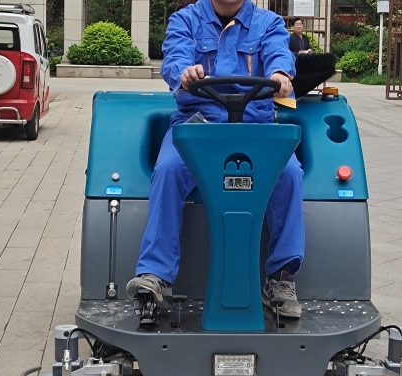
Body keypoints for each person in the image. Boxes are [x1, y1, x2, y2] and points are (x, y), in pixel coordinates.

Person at [125, 0, 306, 318]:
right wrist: (184, 72)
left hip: (254, 129)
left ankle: (281, 277)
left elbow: (279, 54)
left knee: (290, 173)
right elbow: (176, 57)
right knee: (168, 169)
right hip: (199, 127)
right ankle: (156, 274)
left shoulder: (269, 24)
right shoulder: (185, 20)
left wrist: (279, 73)